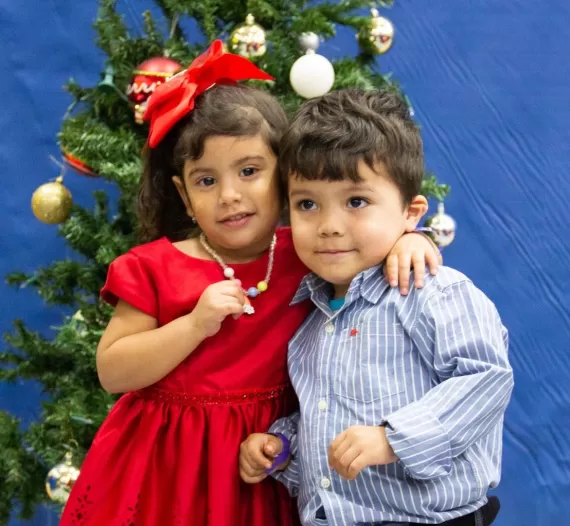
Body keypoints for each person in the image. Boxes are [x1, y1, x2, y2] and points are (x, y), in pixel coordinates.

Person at [60, 43, 440, 526]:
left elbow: (370, 238)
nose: (230, 195)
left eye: (249, 171)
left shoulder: (310, 252)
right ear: (183, 193)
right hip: (165, 466)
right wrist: (194, 325)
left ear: (284, 175)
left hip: (264, 460)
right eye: (206, 181)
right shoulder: (152, 267)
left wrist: (411, 239)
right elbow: (113, 372)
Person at [239, 88, 513, 526]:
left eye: (356, 201)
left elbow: (485, 379)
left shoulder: (430, 290)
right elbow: (327, 412)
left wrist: (395, 439)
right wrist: (282, 446)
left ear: (411, 212)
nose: (328, 226)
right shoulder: (311, 321)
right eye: (307, 204)